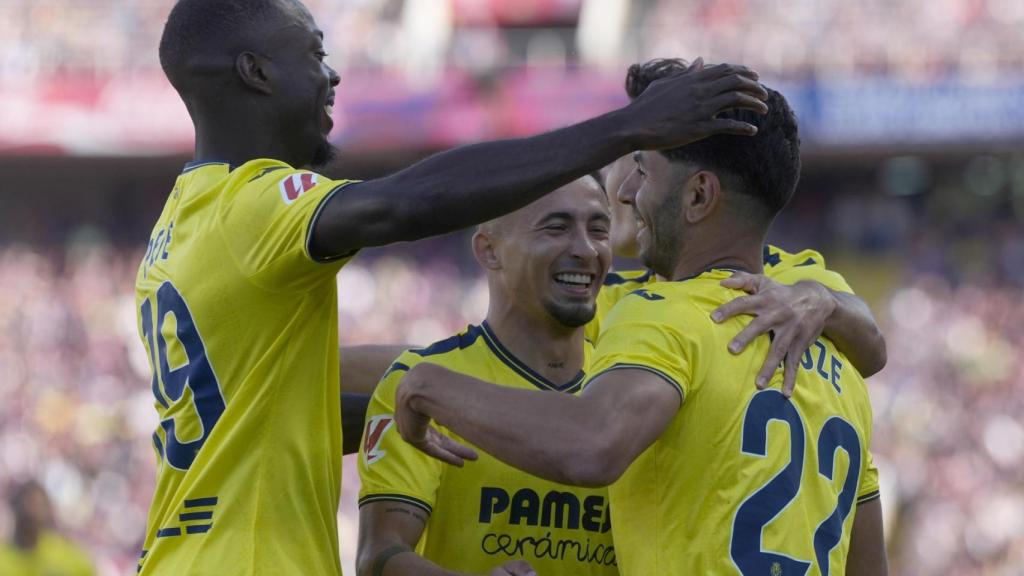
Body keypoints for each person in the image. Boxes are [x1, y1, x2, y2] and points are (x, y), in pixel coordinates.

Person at [138, 0, 768, 573]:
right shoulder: (252, 206)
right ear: (256, 72)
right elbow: (405, 205)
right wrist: (629, 127)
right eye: (315, 54)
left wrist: (451, 407)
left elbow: (269, 420)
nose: (332, 76)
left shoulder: (181, 222)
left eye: (597, 226)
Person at [394, 84, 889, 575]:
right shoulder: (840, 358)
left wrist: (425, 385)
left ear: (697, 195)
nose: (627, 194)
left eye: (643, 173)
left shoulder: (663, 313)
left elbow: (592, 445)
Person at [357, 176, 615, 576]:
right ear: (489, 250)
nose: (585, 249)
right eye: (557, 227)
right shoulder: (417, 381)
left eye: (599, 230)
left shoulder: (629, 385)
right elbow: (379, 555)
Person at [0, 481, 95, 576]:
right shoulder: (3, 559)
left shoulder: (67, 554)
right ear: (15, 508)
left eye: (39, 505)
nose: (33, 512)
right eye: (29, 504)